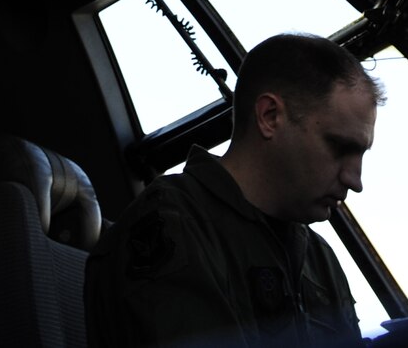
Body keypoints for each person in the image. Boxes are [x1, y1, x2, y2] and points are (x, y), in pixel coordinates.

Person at [84, 33, 384, 347]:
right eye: (339, 147)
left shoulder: (318, 258)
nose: (355, 180)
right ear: (270, 117)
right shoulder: (170, 225)